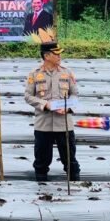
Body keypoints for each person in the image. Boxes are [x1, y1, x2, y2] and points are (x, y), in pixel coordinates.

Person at [24, 41, 80, 182]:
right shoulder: (35, 74)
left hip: (64, 124)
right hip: (44, 124)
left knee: (70, 159)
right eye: (56, 53)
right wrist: (45, 104)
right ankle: (41, 190)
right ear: (47, 56)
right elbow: (28, 96)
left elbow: (75, 94)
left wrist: (68, 106)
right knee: (41, 160)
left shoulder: (67, 73)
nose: (60, 56)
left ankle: (75, 186)